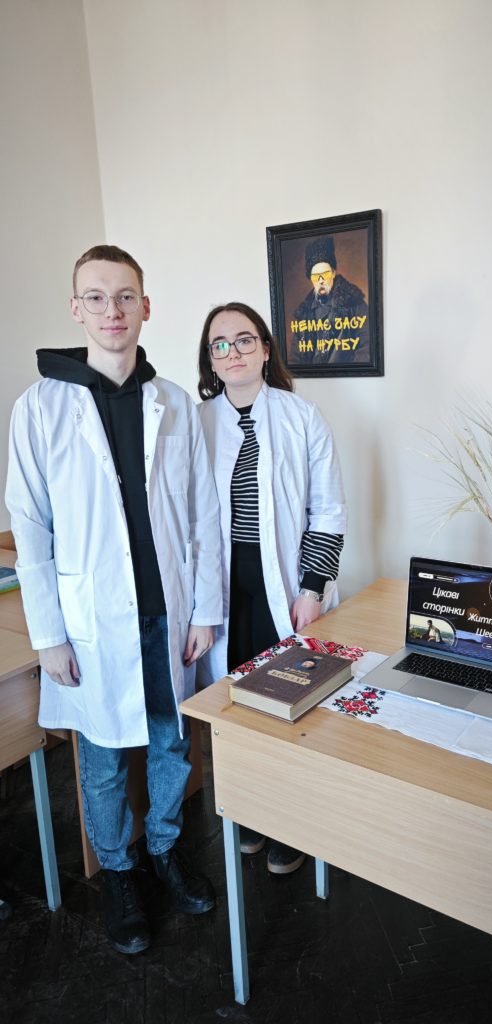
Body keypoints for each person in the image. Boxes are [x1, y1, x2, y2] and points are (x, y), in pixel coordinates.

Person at [5, 245, 223, 955]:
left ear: (146, 307)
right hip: (91, 618)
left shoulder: (173, 402)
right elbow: (31, 529)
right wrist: (48, 635)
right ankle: (120, 873)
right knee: (101, 758)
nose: (112, 310)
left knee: (170, 740)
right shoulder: (40, 408)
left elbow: (202, 514)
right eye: (96, 297)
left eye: (125, 296)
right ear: (76, 309)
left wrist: (205, 610)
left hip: (167, 610)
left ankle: (163, 846)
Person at [196, 301, 347, 874]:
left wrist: (312, 588)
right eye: (220, 344)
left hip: (285, 586)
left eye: (244, 339)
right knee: (237, 704)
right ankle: (251, 812)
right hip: (221, 588)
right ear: (211, 359)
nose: (232, 351)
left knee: (289, 701)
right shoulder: (197, 421)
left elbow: (328, 510)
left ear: (264, 349)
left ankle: (292, 822)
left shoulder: (301, 416)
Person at [291, 235, 370, 365]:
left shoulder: (354, 304)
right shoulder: (303, 313)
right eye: (316, 276)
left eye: (325, 274)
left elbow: (366, 348)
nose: (321, 280)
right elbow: (295, 359)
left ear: (333, 273)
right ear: (310, 278)